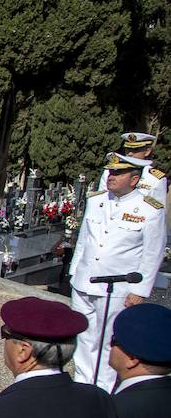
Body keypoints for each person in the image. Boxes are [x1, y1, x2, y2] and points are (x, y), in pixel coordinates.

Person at [68, 153, 167, 392]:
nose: (110, 176)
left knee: (106, 340)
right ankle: (83, 383)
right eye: (110, 172)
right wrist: (74, 273)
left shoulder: (148, 209)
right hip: (84, 280)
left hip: (117, 286)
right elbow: (84, 240)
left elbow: (152, 253)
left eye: (117, 173)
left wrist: (139, 290)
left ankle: (102, 389)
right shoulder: (97, 200)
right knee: (83, 335)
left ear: (134, 180)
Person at [97, 132, 167, 205]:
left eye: (135, 150)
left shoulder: (155, 179)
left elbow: (158, 210)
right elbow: (101, 200)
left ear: (147, 151)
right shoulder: (109, 172)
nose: (130, 154)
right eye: (127, 149)